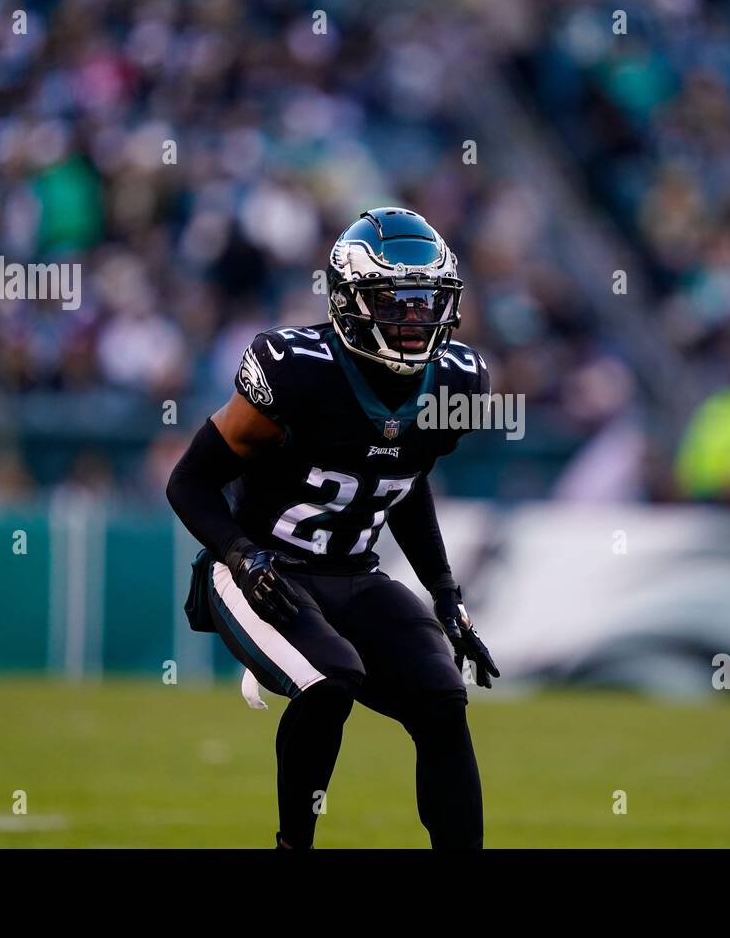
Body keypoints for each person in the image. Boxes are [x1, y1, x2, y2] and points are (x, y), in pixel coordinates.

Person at [167, 207, 499, 849]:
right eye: (395, 301)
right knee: (330, 683)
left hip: (355, 576)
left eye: (426, 301)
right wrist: (241, 555)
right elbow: (189, 482)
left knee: (442, 697)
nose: (415, 318)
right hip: (263, 573)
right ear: (349, 300)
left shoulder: (458, 380)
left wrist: (447, 597)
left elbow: (404, 483)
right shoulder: (296, 369)